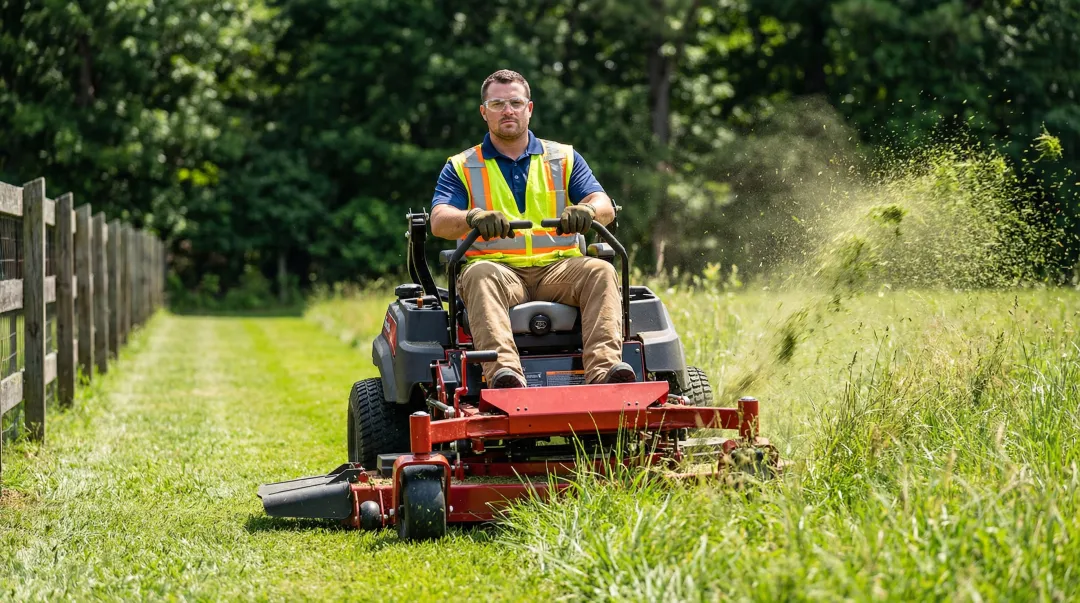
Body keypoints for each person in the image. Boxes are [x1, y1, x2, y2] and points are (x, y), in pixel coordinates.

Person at [429, 69, 635, 389]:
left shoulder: (564, 157)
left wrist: (588, 210)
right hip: (498, 271)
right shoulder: (461, 165)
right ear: (484, 112)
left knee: (601, 271)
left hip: (560, 269)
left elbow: (604, 204)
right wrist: (473, 218)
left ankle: (606, 372)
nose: (507, 110)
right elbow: (440, 220)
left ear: (530, 108)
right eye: (497, 104)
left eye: (515, 102)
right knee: (479, 275)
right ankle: (503, 375)